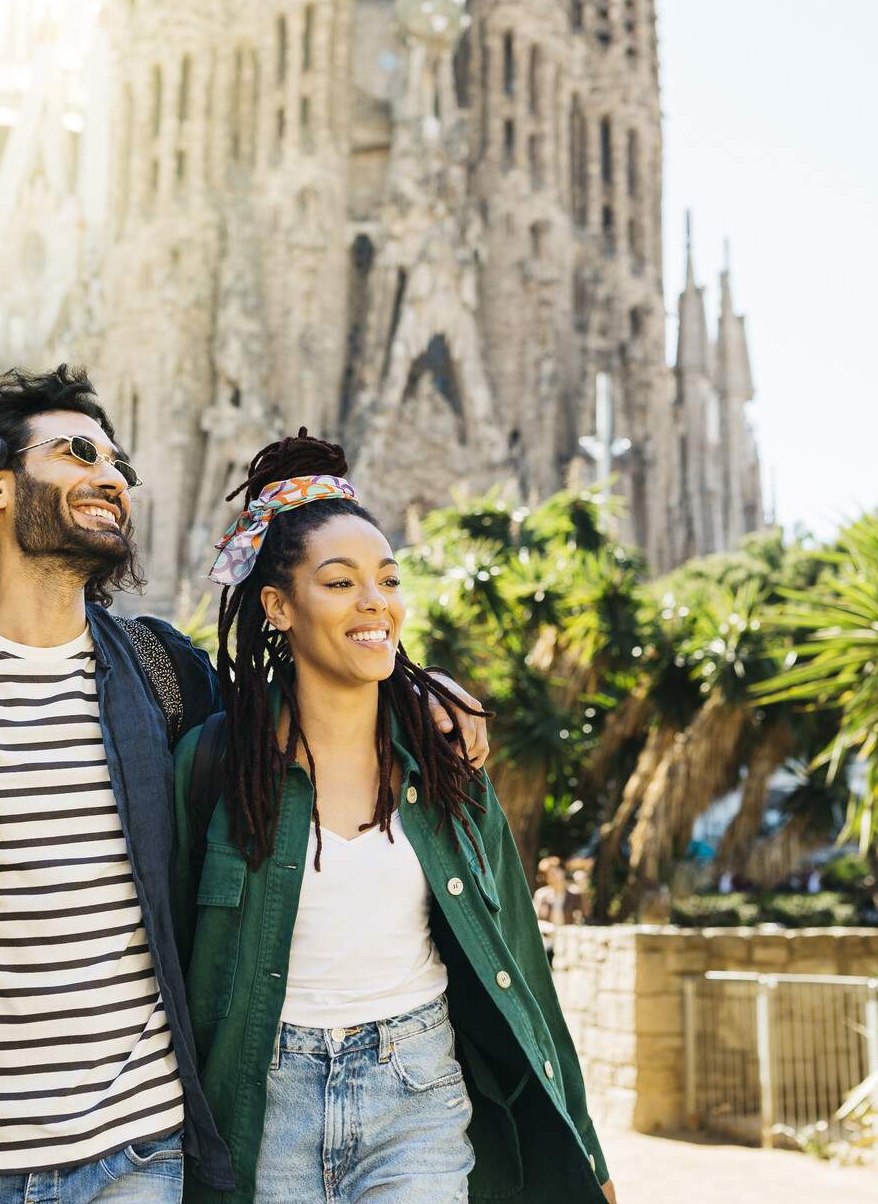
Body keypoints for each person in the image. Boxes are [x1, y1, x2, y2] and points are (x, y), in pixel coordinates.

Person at [0, 367, 489, 1204]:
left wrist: (417, 688)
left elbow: (310, 713)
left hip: (142, 1154)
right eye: (78, 451)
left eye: (121, 464)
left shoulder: (164, 675)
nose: (111, 476)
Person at [172, 431, 615, 1204]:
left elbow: (520, 959)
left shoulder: (445, 762)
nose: (374, 601)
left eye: (387, 579)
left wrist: (585, 1151)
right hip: (264, 1103)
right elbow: (172, 959)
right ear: (278, 606)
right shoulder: (216, 765)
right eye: (340, 583)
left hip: (417, 1094)